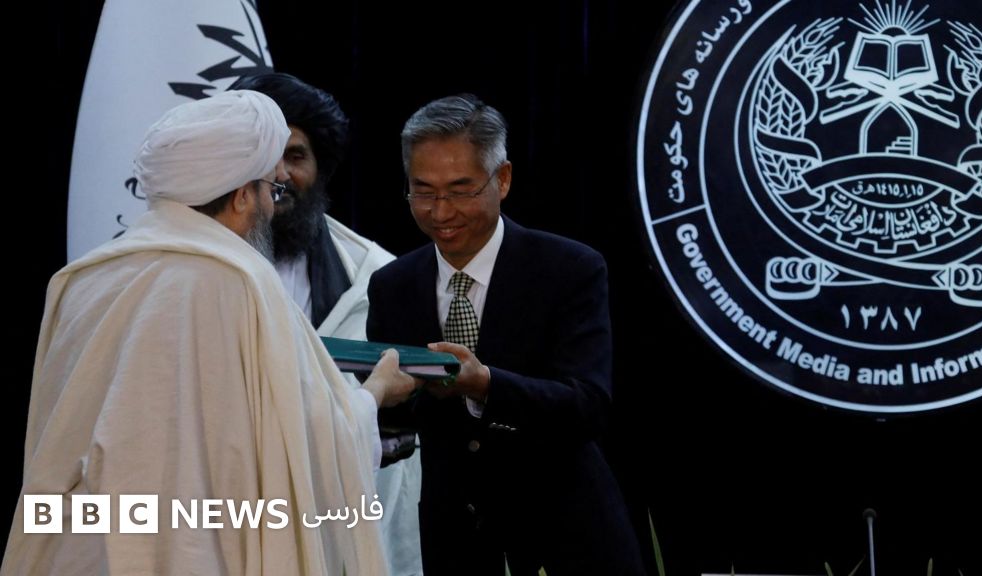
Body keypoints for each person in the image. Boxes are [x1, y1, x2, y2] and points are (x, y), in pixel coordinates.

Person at [2, 90, 416, 576]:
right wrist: (375, 392)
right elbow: (312, 442)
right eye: (270, 188)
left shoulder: (85, 277)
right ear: (242, 196)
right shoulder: (242, 282)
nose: (272, 204)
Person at [366, 94, 645, 575]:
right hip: (457, 539)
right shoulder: (392, 285)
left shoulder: (569, 269)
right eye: (423, 191)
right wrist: (374, 397)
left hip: (568, 534)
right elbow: (397, 423)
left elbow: (588, 405)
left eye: (461, 190)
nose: (440, 211)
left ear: (504, 179)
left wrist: (486, 385)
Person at [229, 72, 424, 575]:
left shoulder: (376, 276)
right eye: (265, 157)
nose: (279, 174)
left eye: (296, 156)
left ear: (321, 168)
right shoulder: (192, 272)